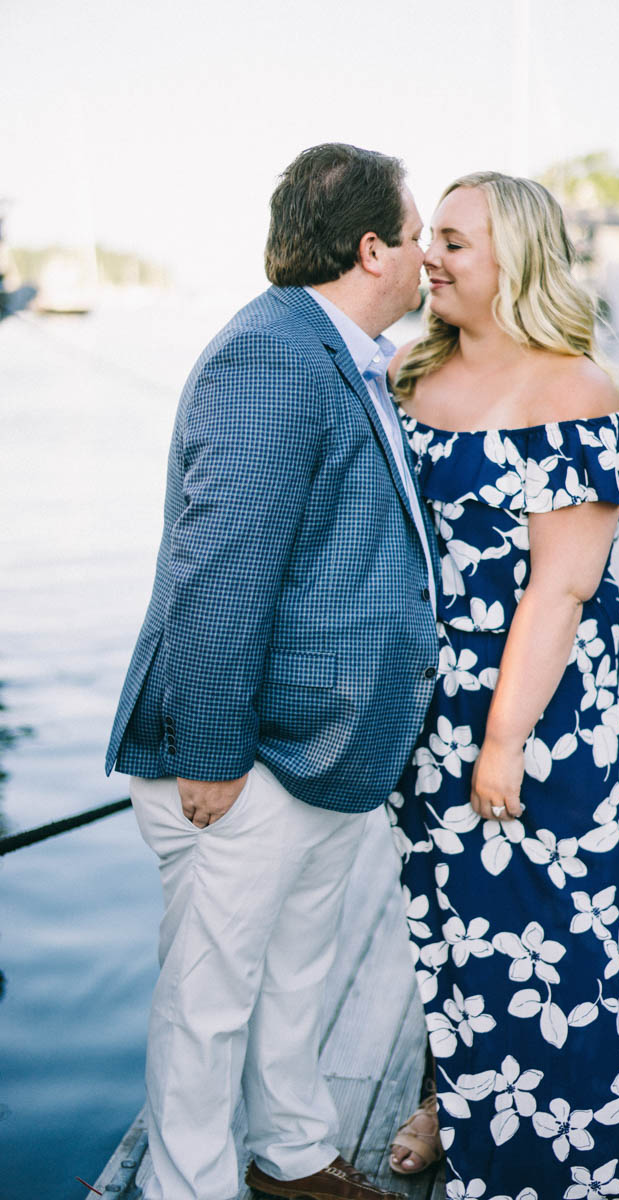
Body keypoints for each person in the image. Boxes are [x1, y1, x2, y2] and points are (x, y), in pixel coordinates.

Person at [104, 142, 440, 1200]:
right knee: (210, 1003)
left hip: (321, 751)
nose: (427, 255)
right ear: (370, 245)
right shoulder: (273, 353)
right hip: (244, 760)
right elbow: (219, 573)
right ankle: (187, 1187)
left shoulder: (342, 349)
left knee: (294, 976)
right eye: (417, 232)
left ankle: (288, 1155)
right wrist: (211, 753)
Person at [386, 173, 619, 1198]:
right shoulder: (410, 375)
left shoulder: (572, 391)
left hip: (544, 711)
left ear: (515, 259)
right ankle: (450, 1100)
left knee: (558, 927)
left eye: (455, 242)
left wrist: (500, 739)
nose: (433, 257)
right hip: (431, 698)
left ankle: (566, 1159)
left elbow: (560, 587)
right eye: (433, 239)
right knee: (451, 920)